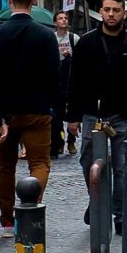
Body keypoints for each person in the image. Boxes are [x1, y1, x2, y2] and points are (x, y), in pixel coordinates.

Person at [65, 0, 127, 227]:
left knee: (122, 167)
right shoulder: (86, 43)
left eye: (116, 10)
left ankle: (120, 214)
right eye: (107, 10)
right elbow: (75, 82)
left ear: (124, 14)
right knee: (88, 163)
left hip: (122, 116)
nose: (111, 14)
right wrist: (72, 117)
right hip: (93, 114)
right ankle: (97, 202)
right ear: (101, 12)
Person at [0, 0, 62, 236]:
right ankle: (28, 207)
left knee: (5, 165)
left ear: (9, 0)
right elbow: (54, 75)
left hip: (6, 113)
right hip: (37, 110)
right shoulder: (45, 35)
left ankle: (7, 220)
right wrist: (53, 106)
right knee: (39, 163)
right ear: (33, 1)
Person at [51, 11, 76, 158]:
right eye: (60, 18)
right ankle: (59, 141)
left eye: (65, 18)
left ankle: (71, 141)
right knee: (58, 115)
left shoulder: (74, 38)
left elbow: (80, 59)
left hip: (70, 81)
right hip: (56, 81)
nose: (64, 20)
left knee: (72, 114)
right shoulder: (51, 38)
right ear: (55, 23)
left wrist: (71, 55)